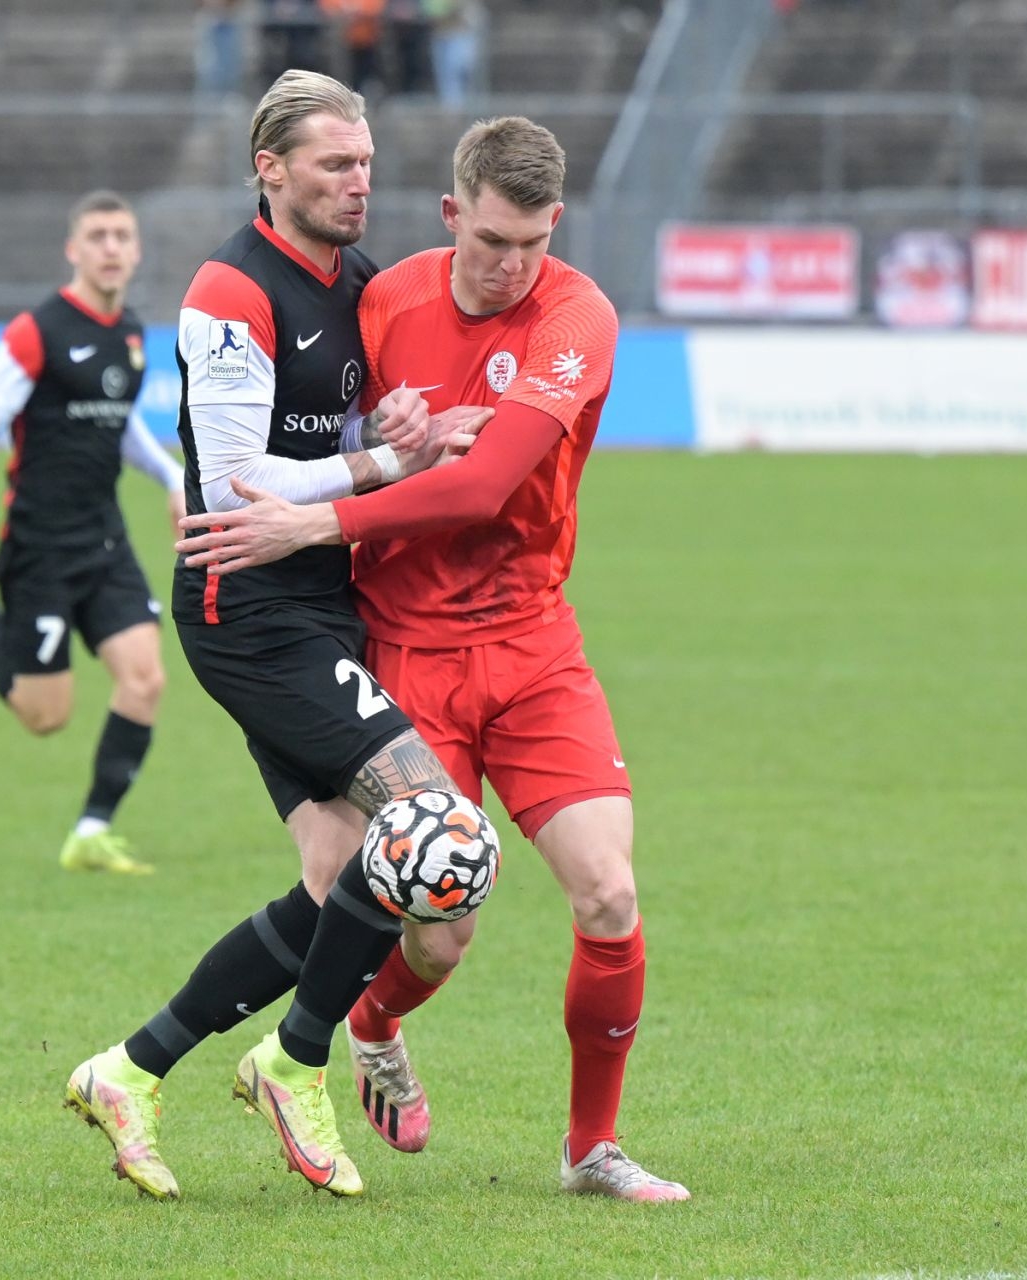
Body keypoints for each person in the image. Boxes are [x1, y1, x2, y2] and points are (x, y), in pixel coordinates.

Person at [174, 116, 690, 1202]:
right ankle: (372, 1022)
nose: (512, 266)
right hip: (404, 645)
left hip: (533, 640)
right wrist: (369, 431)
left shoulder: (577, 316)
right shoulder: (384, 297)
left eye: (534, 243)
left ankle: (591, 1147)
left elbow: (484, 484)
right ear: (453, 215)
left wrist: (314, 522)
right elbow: (320, 427)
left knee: (608, 890)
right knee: (441, 931)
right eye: (492, 240)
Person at [62, 70, 491, 1203]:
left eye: (365, 163)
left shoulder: (356, 279)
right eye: (334, 164)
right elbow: (240, 482)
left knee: (343, 872)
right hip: (245, 611)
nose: (360, 182)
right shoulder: (228, 292)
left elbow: (341, 425)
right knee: (436, 828)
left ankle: (130, 1069)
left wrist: (387, 419)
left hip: (322, 599)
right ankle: (297, 1059)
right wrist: (393, 458)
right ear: (271, 169)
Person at [0, 191, 184, 876]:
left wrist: (174, 477)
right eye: (97, 235)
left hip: (105, 541)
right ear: (73, 249)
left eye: (121, 235)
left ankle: (91, 831)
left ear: (137, 250)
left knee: (145, 679)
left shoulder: (131, 333)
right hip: (38, 549)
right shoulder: (35, 331)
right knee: (46, 717)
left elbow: (118, 423)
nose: (110, 247)